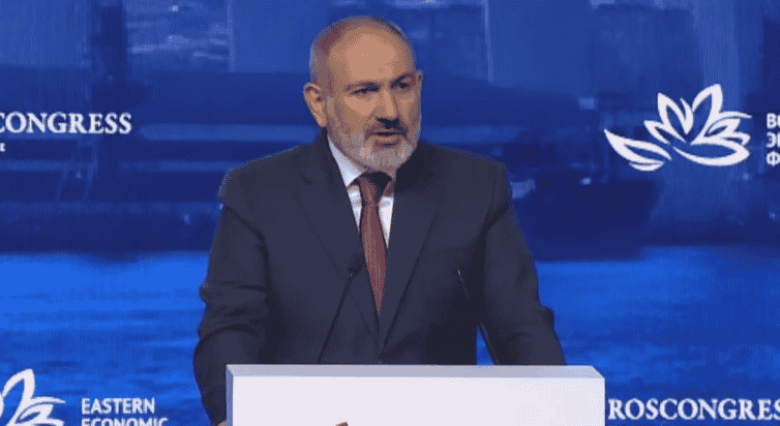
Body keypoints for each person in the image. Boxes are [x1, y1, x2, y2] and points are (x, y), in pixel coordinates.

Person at [194, 15, 565, 426]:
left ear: (419, 86)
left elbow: (520, 328)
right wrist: (234, 417)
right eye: (365, 91)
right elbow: (230, 330)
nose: (390, 111)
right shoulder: (258, 192)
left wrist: (553, 410)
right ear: (318, 104)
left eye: (402, 87)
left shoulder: (476, 186)